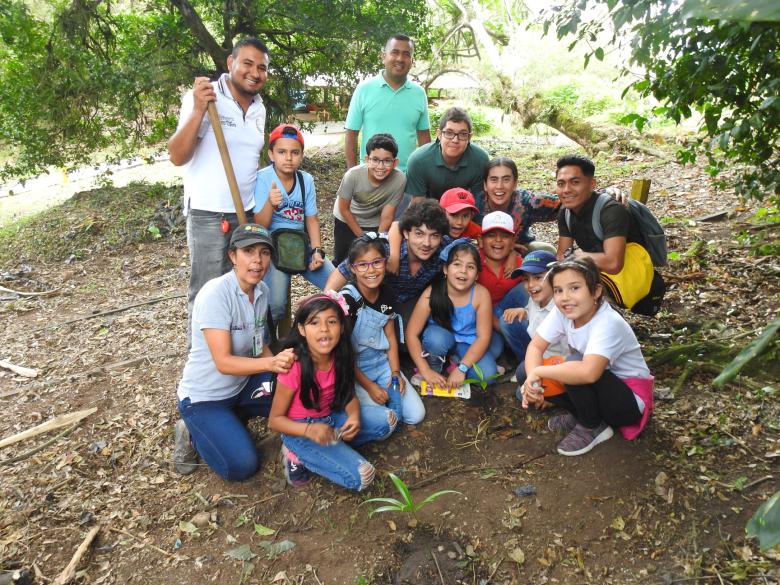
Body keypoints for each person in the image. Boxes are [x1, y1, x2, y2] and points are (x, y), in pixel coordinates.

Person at [173, 224, 296, 480]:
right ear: (232, 256)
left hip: (242, 386)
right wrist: (271, 365)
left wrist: (281, 371)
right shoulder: (215, 294)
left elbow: (258, 343)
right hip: (205, 398)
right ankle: (192, 431)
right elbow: (224, 362)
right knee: (242, 466)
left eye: (264, 253)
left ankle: (234, 418)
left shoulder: (262, 292)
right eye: (248, 251)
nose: (257, 260)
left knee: (295, 391)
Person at [168, 37, 270, 320]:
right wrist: (199, 109)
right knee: (207, 291)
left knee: (242, 286)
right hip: (210, 214)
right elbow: (177, 156)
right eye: (247, 63)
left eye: (261, 67)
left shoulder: (259, 108)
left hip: (244, 212)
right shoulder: (204, 96)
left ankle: (235, 355)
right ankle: (201, 360)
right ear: (230, 62)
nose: (254, 72)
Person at [521, 257, 654, 456]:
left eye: (574, 288)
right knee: (524, 370)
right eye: (558, 290)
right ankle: (581, 413)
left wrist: (539, 371)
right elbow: (536, 346)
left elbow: (589, 373)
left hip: (628, 402)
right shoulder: (563, 312)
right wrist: (532, 377)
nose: (565, 297)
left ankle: (592, 425)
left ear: (596, 291)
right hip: (599, 384)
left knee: (574, 365)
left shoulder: (608, 322)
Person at [268, 294, 397, 490]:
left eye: (332, 321)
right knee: (363, 476)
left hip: (332, 418)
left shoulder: (340, 355)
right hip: (300, 430)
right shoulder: (294, 366)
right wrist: (309, 430)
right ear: (301, 329)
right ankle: (296, 454)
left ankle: (331, 447)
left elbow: (348, 395)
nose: (324, 329)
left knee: (388, 421)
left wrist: (354, 416)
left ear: (342, 326)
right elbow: (275, 421)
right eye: (314, 323)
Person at [340, 234, 426, 424]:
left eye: (377, 262)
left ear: (385, 263)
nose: (371, 270)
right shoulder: (347, 300)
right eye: (362, 265)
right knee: (383, 419)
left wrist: (395, 372)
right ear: (353, 269)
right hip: (354, 369)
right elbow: (342, 353)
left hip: (381, 364)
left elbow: (390, 336)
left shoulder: (387, 293)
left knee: (415, 415)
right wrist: (369, 386)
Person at [253, 124, 334, 323]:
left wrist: (317, 250)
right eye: (282, 152)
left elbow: (312, 219)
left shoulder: (305, 179)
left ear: (301, 155)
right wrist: (271, 204)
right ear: (271, 154)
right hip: (274, 248)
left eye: (294, 152)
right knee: (276, 306)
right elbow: (260, 224)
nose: (288, 158)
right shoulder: (263, 178)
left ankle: (314, 317)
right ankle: (268, 347)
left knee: (338, 285)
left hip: (300, 245)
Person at [326, 199, 451, 326]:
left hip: (408, 304)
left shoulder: (444, 250)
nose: (427, 243)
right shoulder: (383, 249)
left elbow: (467, 253)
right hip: (372, 303)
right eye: (419, 234)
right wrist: (324, 302)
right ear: (406, 233)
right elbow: (342, 271)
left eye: (434, 236)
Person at [554, 154, 656, 311]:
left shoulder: (611, 210)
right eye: (561, 184)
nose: (566, 190)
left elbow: (614, 263)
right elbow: (561, 255)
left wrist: (579, 256)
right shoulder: (565, 212)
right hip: (596, 268)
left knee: (587, 295)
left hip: (628, 271)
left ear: (592, 183)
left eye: (575, 182)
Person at [406, 239, 502, 389]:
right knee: (435, 339)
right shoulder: (433, 292)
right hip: (442, 339)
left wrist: (462, 369)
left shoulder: (481, 294)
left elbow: (483, 337)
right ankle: (434, 365)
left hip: (468, 342)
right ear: (445, 269)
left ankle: (456, 361)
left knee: (487, 376)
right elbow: (411, 334)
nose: (463, 271)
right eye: (457, 264)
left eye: (470, 267)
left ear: (477, 275)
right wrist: (425, 370)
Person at [344, 34, 430, 172]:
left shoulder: (419, 93)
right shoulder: (364, 89)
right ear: (383, 56)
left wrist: (425, 176)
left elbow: (424, 138)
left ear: (412, 61)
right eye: (395, 52)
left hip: (408, 178)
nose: (400, 59)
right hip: (370, 175)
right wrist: (352, 175)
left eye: (406, 54)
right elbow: (351, 134)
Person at [332, 133, 406, 265]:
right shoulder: (353, 175)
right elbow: (344, 208)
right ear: (367, 159)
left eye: (387, 161)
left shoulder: (399, 179)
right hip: (346, 218)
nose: (380, 167)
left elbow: (388, 215)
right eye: (375, 160)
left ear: (395, 163)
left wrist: (377, 239)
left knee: (373, 256)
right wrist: (362, 237)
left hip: (373, 220)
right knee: (343, 259)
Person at [501, 250, 569, 393]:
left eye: (538, 277)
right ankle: (526, 364)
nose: (530, 284)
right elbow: (532, 311)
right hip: (539, 354)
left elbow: (573, 356)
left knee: (522, 393)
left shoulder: (564, 310)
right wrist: (524, 312)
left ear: (555, 277)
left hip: (559, 365)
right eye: (526, 279)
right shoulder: (534, 299)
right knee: (507, 321)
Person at [384, 187, 481, 273]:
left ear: (471, 216)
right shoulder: (429, 224)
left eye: (465, 216)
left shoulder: (474, 231)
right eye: (454, 214)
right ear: (441, 212)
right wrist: (394, 257)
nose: (459, 222)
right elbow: (397, 226)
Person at [404, 107, 490, 205]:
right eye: (449, 133)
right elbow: (417, 204)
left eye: (462, 134)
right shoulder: (418, 160)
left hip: (464, 210)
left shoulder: (480, 160)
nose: (455, 140)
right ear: (439, 134)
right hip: (429, 210)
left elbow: (479, 201)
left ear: (469, 137)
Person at [475, 157, 560, 253]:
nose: (499, 186)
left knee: (546, 250)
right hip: (484, 253)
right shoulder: (475, 205)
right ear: (485, 185)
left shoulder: (527, 201)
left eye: (506, 180)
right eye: (494, 180)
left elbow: (565, 205)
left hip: (521, 252)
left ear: (515, 184)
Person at [476, 212, 530, 362]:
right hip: (478, 315)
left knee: (527, 287)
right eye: (491, 235)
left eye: (505, 236)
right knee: (494, 351)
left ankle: (528, 361)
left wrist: (513, 254)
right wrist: (497, 324)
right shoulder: (473, 260)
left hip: (505, 309)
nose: (498, 240)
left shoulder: (519, 263)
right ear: (481, 240)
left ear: (513, 241)